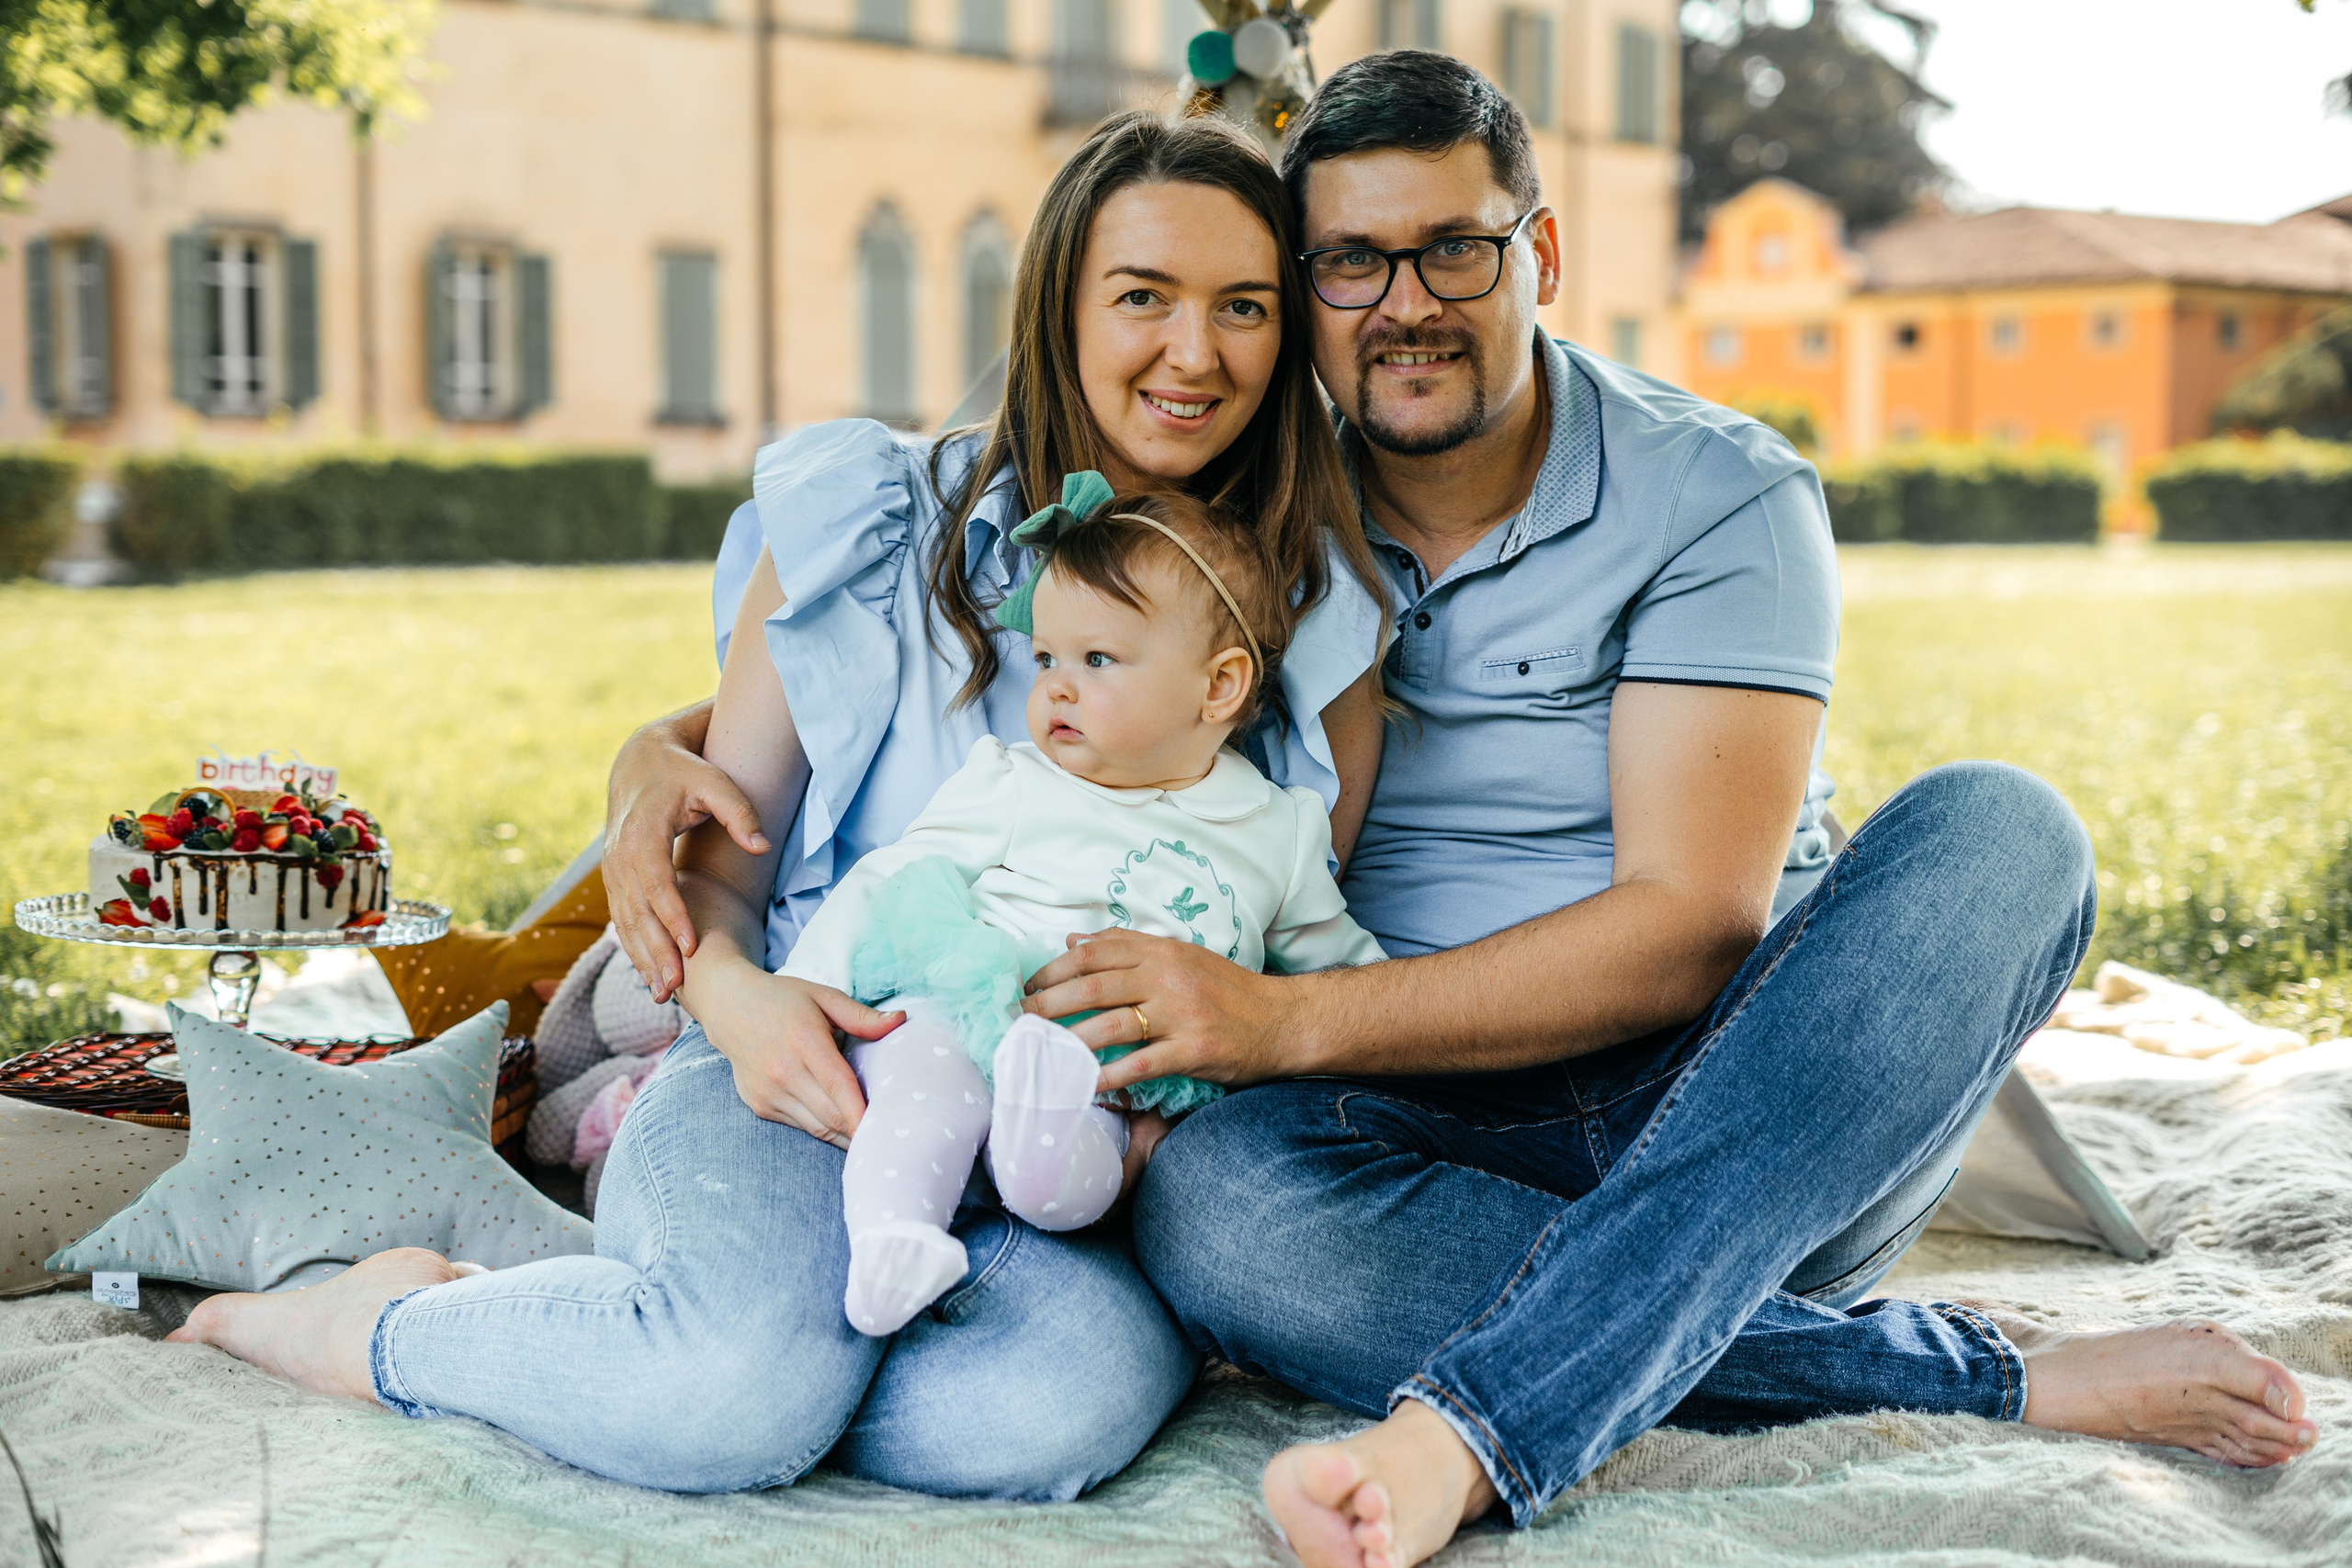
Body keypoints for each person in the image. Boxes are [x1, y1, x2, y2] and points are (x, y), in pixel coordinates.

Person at [596, 69, 2314, 1542]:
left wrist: (1279, 1017)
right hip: (1398, 1120)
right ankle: (1963, 1369)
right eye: (1349, 260)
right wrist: (651, 751)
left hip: (1726, 1110)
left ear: (1540, 253)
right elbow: (983, 650)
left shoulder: (1713, 493)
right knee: (1216, 1211)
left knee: (2006, 830)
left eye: (1455, 248)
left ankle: (1467, 1433)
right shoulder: (1253, 492)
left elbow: (1689, 924)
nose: (1402, 300)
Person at [168, 107, 1394, 1500]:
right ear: (1059, 309)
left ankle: (653, 1313)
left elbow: (1272, 933)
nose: (1197, 351)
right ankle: (371, 1324)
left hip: (1062, 1151)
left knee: (1038, 1418)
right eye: (1143, 297)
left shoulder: (1313, 620)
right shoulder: (871, 519)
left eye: (1243, 305)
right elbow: (724, 860)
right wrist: (744, 1004)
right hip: (800, 1072)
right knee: (729, 1392)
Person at [781, 481, 1385, 1335]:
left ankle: (1040, 1133)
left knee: (1087, 1177)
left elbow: (1339, 969)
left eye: (1096, 661)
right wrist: (805, 983)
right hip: (964, 1006)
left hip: (1104, 1082)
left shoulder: (1277, 831)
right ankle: (894, 1236)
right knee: (921, 1081)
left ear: (1219, 687)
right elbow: (895, 874)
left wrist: (1406, 1042)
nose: (1058, 689)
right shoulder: (1014, 777)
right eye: (1048, 660)